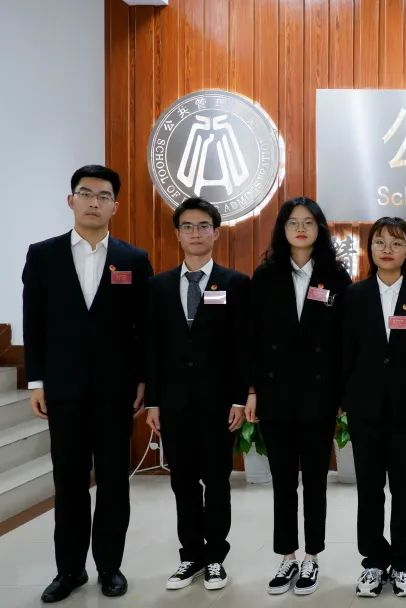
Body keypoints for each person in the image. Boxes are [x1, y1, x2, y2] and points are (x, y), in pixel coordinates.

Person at [22, 165, 152, 603]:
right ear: (71, 200)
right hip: (64, 388)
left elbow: (143, 327)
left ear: (115, 205)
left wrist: (142, 378)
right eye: (85, 193)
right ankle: (70, 569)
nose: (94, 202)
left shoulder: (133, 260)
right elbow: (34, 322)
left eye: (103, 196)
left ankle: (110, 567)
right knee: (70, 480)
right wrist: (36, 381)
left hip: (116, 390)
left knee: (114, 480)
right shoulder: (43, 255)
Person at [245, 197, 351, 596]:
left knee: (316, 482)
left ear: (320, 228)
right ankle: (287, 556)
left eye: (309, 222)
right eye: (293, 222)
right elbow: (252, 338)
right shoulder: (266, 275)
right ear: (283, 229)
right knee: (283, 481)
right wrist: (251, 390)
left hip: (320, 395)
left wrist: (342, 395)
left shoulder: (336, 276)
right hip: (275, 394)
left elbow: (344, 343)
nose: (301, 228)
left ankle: (312, 557)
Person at [144, 197, 248, 591]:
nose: (195, 233)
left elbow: (242, 347)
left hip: (219, 405)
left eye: (204, 226)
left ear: (216, 233)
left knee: (217, 483)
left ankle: (216, 557)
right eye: (187, 226)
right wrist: (154, 401)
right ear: (178, 234)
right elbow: (152, 349)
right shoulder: (158, 286)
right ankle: (190, 556)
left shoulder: (235, 284)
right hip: (173, 404)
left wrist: (239, 398)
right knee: (183, 483)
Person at [342, 216, 406, 598]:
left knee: (404, 488)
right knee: (369, 489)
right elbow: (345, 352)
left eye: (396, 243)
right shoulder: (355, 294)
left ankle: (402, 563)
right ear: (370, 248)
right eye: (380, 242)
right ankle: (373, 562)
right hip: (364, 409)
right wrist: (345, 402)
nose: (387, 249)